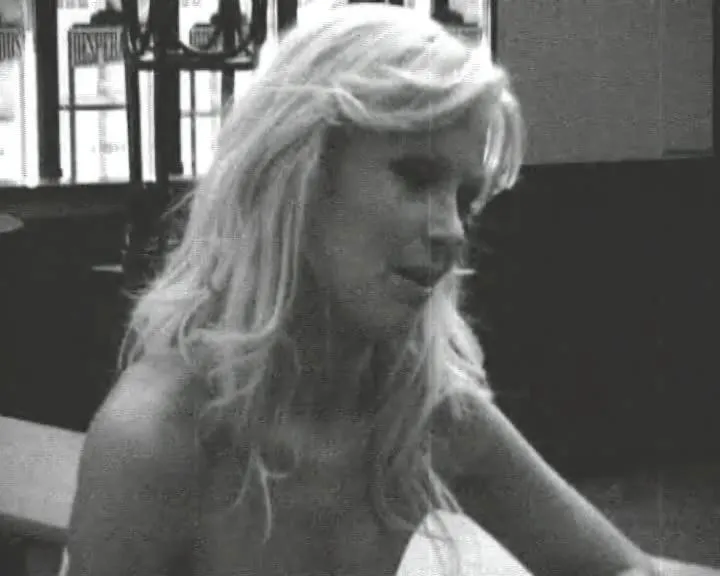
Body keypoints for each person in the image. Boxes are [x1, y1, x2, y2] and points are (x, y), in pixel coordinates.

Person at [63, 4, 718, 576]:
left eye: (465, 197)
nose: (452, 230)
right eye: (416, 177)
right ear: (298, 177)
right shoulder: (158, 436)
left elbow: (620, 567)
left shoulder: (421, 410)